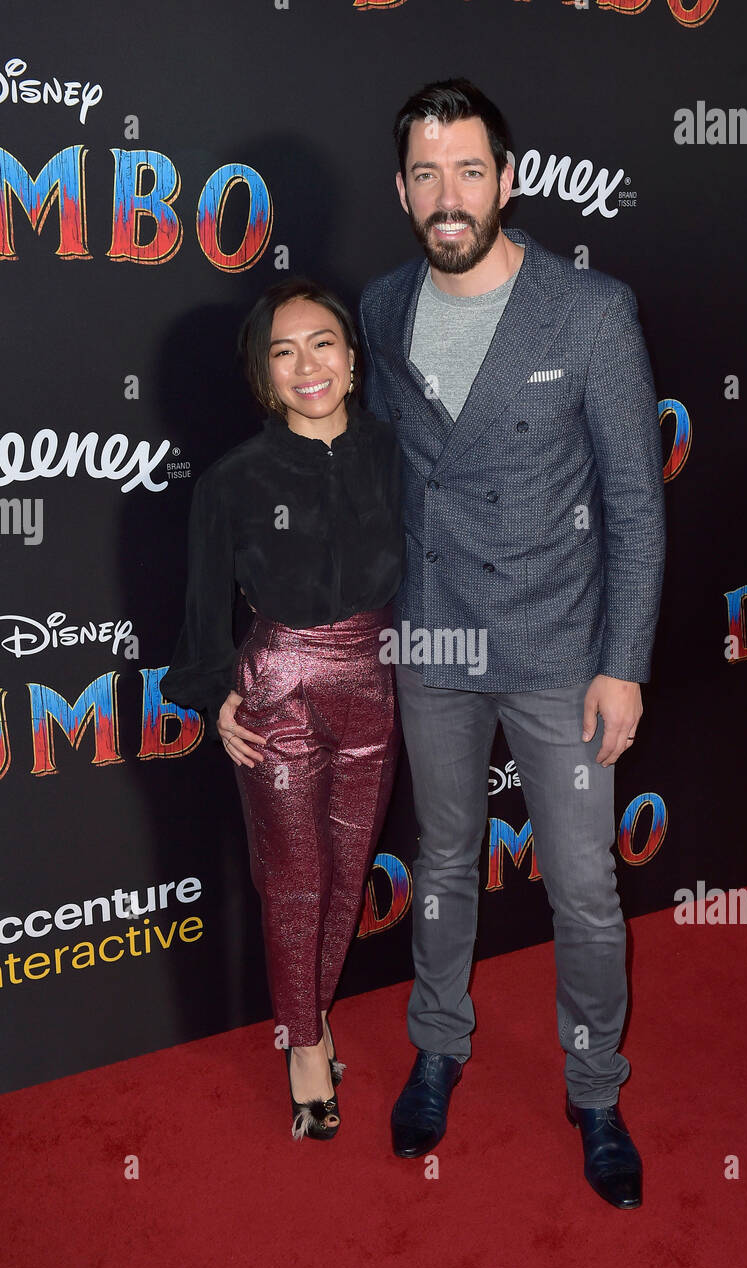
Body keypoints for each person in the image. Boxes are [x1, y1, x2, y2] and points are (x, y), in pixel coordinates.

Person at [358, 79, 666, 1207]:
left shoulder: (589, 312)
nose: (449, 196)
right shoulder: (382, 307)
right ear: (401, 190)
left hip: (555, 649)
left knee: (583, 887)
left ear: (508, 178)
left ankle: (594, 1088)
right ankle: (437, 1043)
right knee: (442, 862)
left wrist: (621, 662)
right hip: (432, 646)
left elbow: (633, 504)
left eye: (469, 171)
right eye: (426, 174)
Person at [160, 279, 403, 1141]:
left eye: (324, 343)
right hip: (281, 686)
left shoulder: (393, 452)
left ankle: (314, 1010)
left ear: (353, 357)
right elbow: (200, 606)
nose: (309, 365)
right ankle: (305, 1043)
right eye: (284, 350)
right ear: (265, 377)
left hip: (375, 681)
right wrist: (215, 688)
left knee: (345, 868)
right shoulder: (234, 477)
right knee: (296, 878)